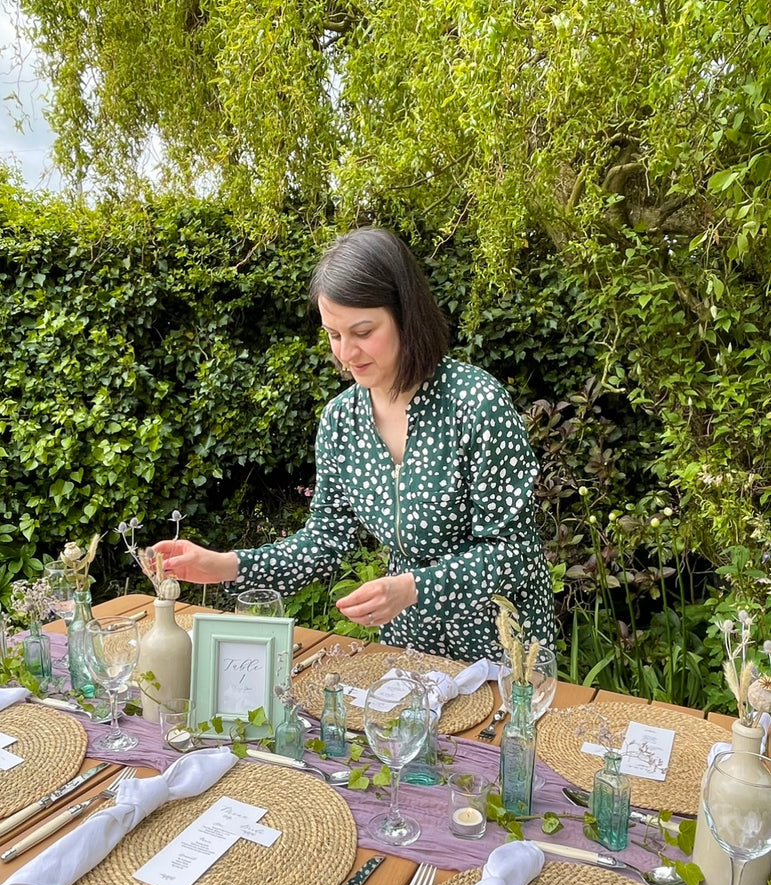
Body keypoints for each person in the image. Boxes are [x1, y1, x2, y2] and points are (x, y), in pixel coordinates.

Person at [153, 227, 554, 661]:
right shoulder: (342, 420)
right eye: (334, 335)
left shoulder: (475, 403)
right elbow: (326, 539)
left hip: (504, 646)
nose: (347, 353)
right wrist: (225, 565)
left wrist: (414, 587)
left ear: (407, 315)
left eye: (363, 331)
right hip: (409, 647)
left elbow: (513, 553)